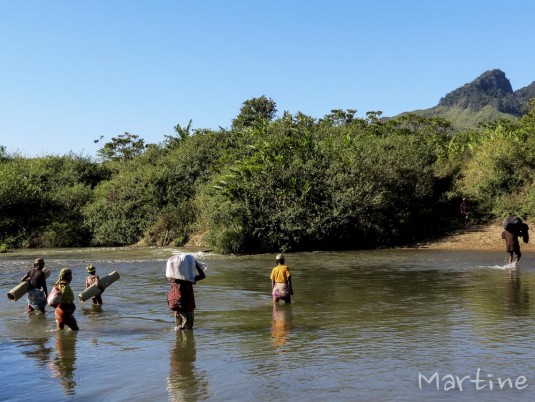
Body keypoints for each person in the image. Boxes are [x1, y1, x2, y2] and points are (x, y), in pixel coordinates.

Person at [168, 259, 206, 330]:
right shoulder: (189, 279)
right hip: (187, 308)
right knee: (187, 329)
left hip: (177, 308)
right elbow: (202, 276)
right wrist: (196, 265)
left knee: (178, 330)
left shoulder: (174, 280)